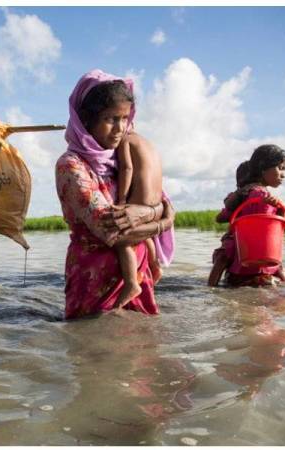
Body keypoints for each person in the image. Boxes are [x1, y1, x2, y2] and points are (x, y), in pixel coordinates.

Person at [55, 69, 175, 319]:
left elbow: (154, 199)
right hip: (95, 278)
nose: (120, 128)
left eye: (125, 118)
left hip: (138, 276)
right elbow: (113, 231)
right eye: (111, 119)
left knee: (142, 350)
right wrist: (163, 220)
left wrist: (154, 211)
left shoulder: (119, 158)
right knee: (95, 348)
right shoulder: (71, 165)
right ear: (86, 119)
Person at [210, 144, 285, 287]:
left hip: (253, 248)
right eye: (280, 168)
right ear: (262, 168)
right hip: (254, 247)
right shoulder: (251, 195)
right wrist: (239, 195)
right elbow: (283, 224)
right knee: (226, 254)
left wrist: (278, 206)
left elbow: (279, 223)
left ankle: (211, 287)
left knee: (224, 256)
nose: (284, 174)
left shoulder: (265, 196)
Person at [116, 119, 163, 305]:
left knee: (124, 240)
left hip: (140, 201)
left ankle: (131, 283)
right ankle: (154, 264)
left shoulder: (125, 140)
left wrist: (121, 198)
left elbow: (127, 168)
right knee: (144, 235)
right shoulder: (147, 143)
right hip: (155, 202)